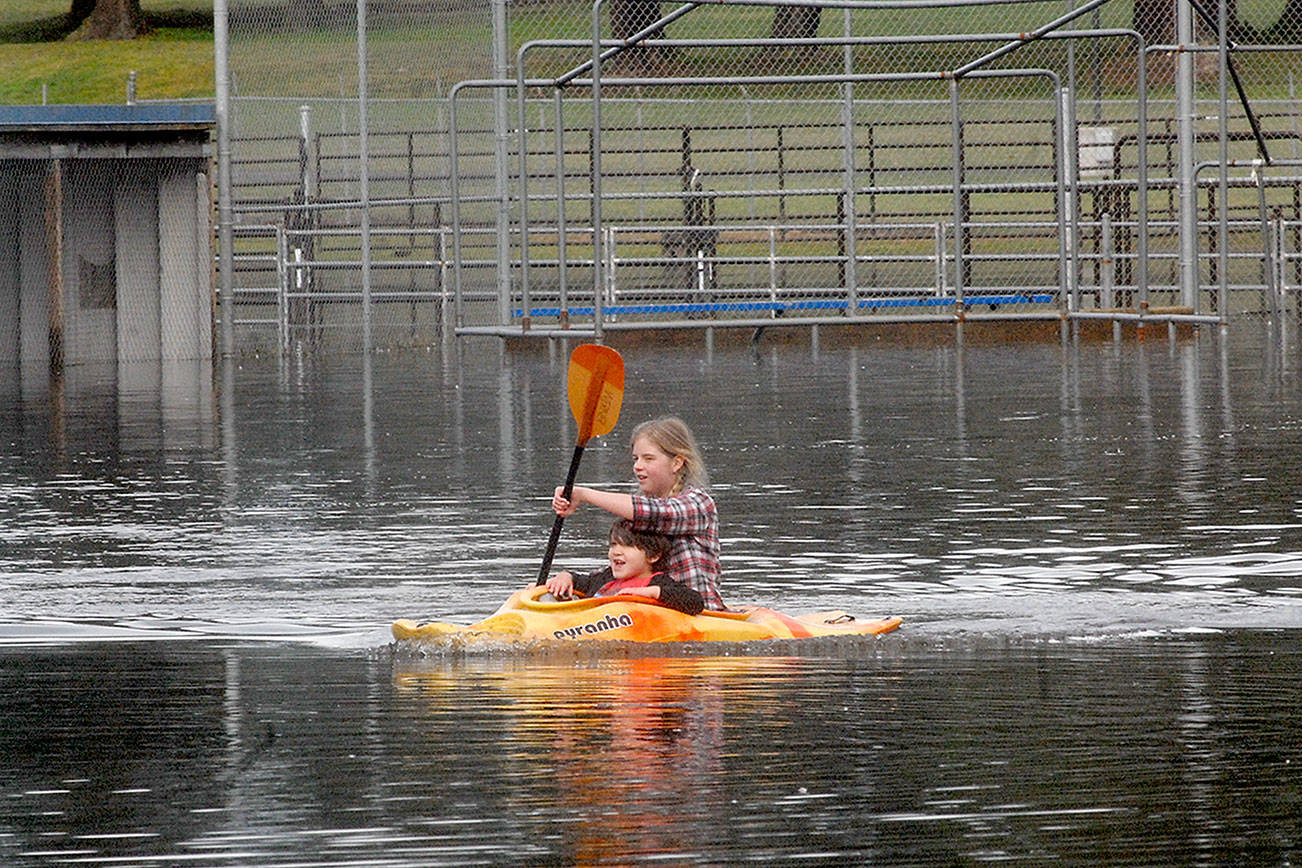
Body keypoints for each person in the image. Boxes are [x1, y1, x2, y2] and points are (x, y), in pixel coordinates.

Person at [552, 416, 724, 610]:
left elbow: (655, 514)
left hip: (697, 610)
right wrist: (569, 579)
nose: (637, 466)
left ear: (676, 463)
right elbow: (622, 566)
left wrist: (583, 494)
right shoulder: (638, 506)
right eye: (635, 459)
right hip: (648, 613)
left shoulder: (698, 503)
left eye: (648, 458)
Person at [546, 520, 704, 615]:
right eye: (613, 545)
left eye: (627, 546)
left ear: (653, 555)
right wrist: (565, 576)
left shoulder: (658, 582)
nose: (616, 552)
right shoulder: (606, 578)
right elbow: (579, 580)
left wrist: (651, 592)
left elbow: (695, 601)